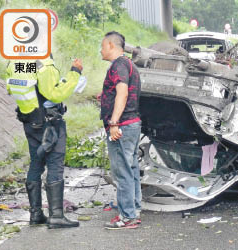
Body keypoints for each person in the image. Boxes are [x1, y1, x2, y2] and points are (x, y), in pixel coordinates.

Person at [5, 56, 83, 229]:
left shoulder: (15, 63)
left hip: (30, 121)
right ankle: (56, 216)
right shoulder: (42, 64)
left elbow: (11, 88)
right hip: (49, 123)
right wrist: (75, 73)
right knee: (55, 164)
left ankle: (36, 214)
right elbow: (56, 94)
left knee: (36, 163)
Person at [99, 31, 142, 229]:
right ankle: (133, 210)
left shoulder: (119, 65)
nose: (101, 50)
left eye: (102, 46)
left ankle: (128, 217)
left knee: (122, 172)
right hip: (130, 124)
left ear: (110, 45)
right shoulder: (128, 64)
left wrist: (114, 122)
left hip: (122, 126)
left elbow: (122, 93)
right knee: (131, 169)